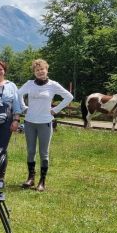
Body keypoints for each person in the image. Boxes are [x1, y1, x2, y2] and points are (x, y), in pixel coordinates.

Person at [17, 59, 73, 192]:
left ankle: (42, 181)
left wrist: (55, 110)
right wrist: (24, 107)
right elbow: (18, 94)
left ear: (47, 70)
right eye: (37, 70)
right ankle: (31, 178)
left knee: (44, 153)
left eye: (42, 69)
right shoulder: (29, 84)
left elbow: (69, 96)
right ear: (34, 72)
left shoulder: (53, 85)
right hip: (30, 122)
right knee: (30, 151)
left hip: (45, 123)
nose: (40, 72)